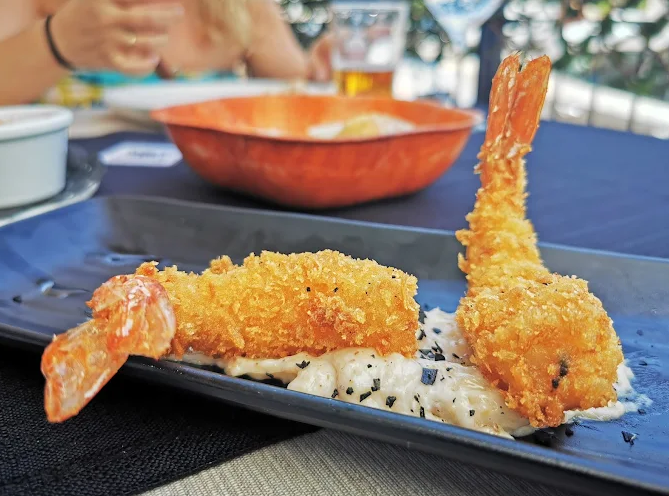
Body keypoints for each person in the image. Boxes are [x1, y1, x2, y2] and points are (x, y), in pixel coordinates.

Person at [0, 0, 333, 106]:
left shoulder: (240, 7)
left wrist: (323, 69)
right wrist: (57, 41)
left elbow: (298, 91)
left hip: (209, 202)